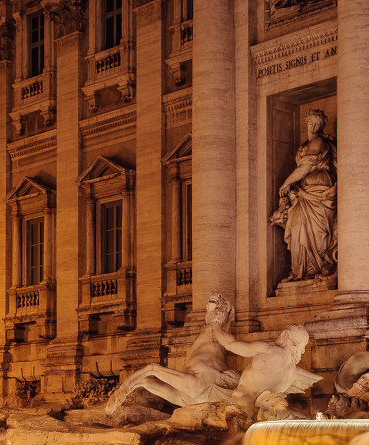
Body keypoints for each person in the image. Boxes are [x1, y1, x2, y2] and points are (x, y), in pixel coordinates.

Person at [105, 293, 240, 413]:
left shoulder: (218, 330)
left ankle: (125, 386)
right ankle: (115, 406)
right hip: (190, 394)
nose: (209, 311)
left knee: (153, 368)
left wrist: (219, 307)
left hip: (203, 383)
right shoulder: (210, 331)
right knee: (146, 381)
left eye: (216, 309)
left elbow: (218, 314)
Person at [271, 108, 337, 283]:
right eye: (311, 122)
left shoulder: (319, 142)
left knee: (318, 232)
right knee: (297, 226)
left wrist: (287, 182)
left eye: (317, 123)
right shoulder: (303, 146)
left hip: (320, 189)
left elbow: (306, 167)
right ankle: (300, 271)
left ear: (322, 126)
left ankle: (318, 267)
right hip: (304, 191)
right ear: (306, 123)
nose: (313, 126)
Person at [211, 324, 321, 416]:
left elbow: (229, 344)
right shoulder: (292, 372)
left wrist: (215, 325)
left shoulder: (267, 350)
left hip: (240, 405)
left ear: (286, 335)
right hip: (264, 414)